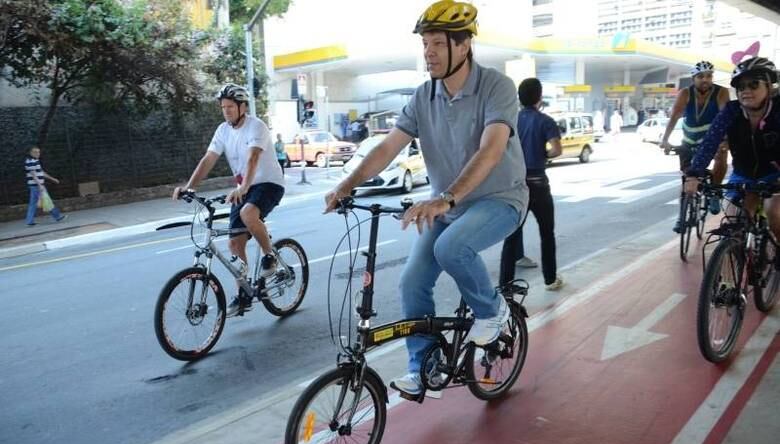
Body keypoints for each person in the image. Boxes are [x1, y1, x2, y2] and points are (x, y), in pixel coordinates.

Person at [324, 0, 528, 397]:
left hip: (499, 200)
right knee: (412, 283)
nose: (428, 53)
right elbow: (388, 147)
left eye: (437, 44)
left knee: (452, 248)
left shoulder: (496, 87)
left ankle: (493, 312)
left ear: (464, 45)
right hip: (449, 205)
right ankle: (424, 367)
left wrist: (447, 198)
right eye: (425, 45)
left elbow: (490, 150)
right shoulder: (423, 97)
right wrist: (346, 184)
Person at [173, 84, 285, 317]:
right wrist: (189, 187)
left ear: (243, 107)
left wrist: (243, 187)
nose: (226, 111)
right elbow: (209, 158)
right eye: (223, 107)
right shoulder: (223, 130)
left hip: (269, 183)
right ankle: (243, 295)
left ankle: (270, 256)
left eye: (231, 107)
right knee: (234, 244)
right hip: (244, 188)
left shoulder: (257, 126)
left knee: (248, 213)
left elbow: (253, 157)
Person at [685, 57, 780, 236]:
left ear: (769, 86)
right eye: (741, 87)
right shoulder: (731, 110)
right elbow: (710, 141)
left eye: (753, 84)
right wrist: (694, 174)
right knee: (733, 219)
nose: (746, 91)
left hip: (775, 174)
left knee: (774, 212)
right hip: (743, 173)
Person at [499, 78, 563, 291]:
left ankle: (505, 285)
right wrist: (543, 154)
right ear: (539, 97)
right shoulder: (545, 121)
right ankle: (550, 280)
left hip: (516, 185)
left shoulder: (511, 120)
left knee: (511, 236)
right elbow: (556, 150)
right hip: (539, 184)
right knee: (547, 233)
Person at [661, 60, 730, 231]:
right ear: (693, 78)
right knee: (686, 179)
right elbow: (675, 116)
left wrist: (725, 140)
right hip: (689, 141)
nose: (705, 79)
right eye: (700, 76)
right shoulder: (685, 93)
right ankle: (681, 216)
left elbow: (725, 116)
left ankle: (714, 191)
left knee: (722, 156)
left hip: (711, 140)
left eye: (709, 76)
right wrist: (665, 139)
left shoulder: (721, 92)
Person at [24, 146, 66, 226]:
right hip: (36, 186)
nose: (38, 154)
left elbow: (41, 173)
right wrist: (40, 185)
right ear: (30, 153)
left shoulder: (35, 160)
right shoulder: (30, 161)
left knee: (34, 203)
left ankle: (29, 221)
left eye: (38, 152)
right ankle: (57, 216)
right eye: (35, 152)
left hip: (36, 185)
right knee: (47, 201)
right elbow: (33, 175)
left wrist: (53, 179)